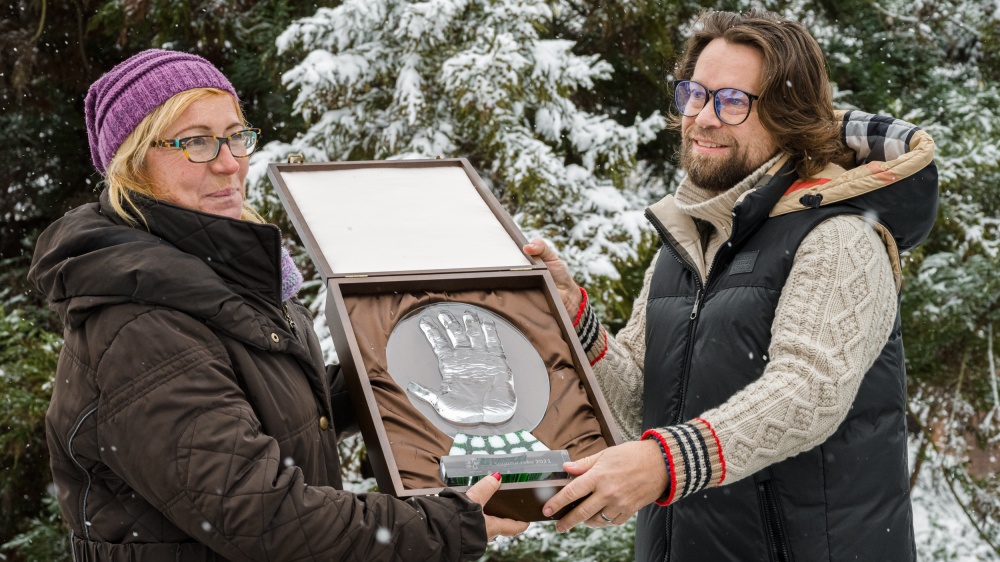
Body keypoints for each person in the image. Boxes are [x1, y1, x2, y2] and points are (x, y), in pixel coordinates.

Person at [28, 49, 527, 561]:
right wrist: (444, 525)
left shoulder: (222, 276)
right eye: (195, 142)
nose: (229, 163)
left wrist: (396, 377)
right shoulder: (139, 325)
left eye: (236, 135)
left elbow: (273, 407)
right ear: (133, 162)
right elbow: (266, 517)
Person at [529, 9, 938, 561]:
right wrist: (572, 313)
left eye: (732, 101)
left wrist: (664, 463)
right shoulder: (687, 244)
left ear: (788, 117)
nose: (703, 118)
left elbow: (809, 392)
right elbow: (634, 405)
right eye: (694, 94)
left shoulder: (837, 235)